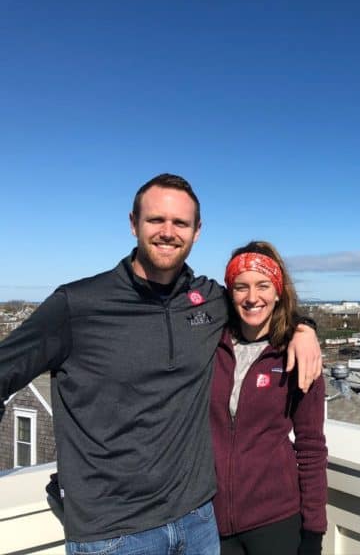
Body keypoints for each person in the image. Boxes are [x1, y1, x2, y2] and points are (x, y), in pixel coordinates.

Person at [0, 174, 322, 554]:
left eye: (180, 223)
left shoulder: (208, 301)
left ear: (197, 231)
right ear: (134, 223)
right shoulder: (78, 304)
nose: (168, 232)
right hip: (113, 534)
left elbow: (262, 308)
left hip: (199, 520)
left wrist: (304, 328)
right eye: (156, 220)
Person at [210, 241, 327, 555]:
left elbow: (311, 446)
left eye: (263, 285)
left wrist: (314, 530)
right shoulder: (208, 346)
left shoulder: (297, 355)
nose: (252, 298)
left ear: (278, 292)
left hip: (276, 520)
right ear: (228, 292)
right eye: (240, 287)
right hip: (209, 520)